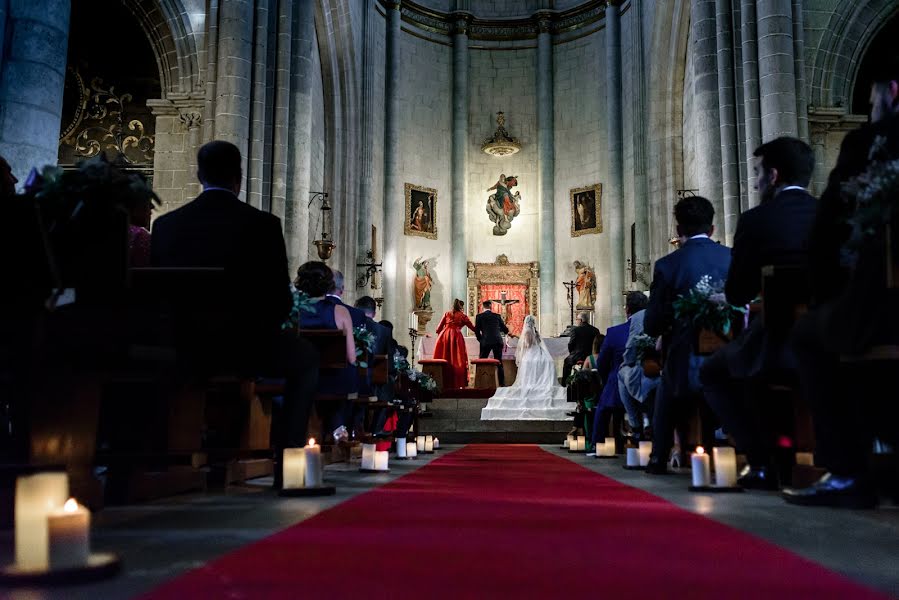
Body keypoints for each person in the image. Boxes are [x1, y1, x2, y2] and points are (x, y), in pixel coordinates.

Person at [150, 140, 319, 473]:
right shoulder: (263, 225)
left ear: (199, 175)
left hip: (180, 346)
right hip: (246, 346)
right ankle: (289, 464)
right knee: (306, 359)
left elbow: (158, 297)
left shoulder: (166, 226)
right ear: (238, 178)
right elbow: (281, 302)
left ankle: (158, 456)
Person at [783, 60, 899, 508]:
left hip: (883, 304)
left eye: (872, 101)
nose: (871, 110)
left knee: (812, 335)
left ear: (892, 90)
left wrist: (828, 297)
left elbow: (826, 232)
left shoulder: (872, 143)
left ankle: (849, 471)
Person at [700, 137, 818, 490]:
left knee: (715, 371)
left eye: (757, 174)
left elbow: (737, 292)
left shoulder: (756, 220)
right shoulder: (831, 213)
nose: (755, 182)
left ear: (774, 175)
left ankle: (761, 460)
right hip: (832, 334)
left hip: (779, 336)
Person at [643, 195, 731, 474]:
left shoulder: (668, 265)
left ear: (679, 230)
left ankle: (659, 455)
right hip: (729, 356)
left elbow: (653, 323)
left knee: (665, 389)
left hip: (686, 359)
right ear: (713, 229)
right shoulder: (731, 257)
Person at [294, 262, 357, 443]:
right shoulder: (340, 311)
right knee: (349, 373)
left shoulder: (293, 310)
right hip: (332, 381)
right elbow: (351, 357)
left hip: (298, 378)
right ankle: (338, 428)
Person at [481, 315, 574, 420]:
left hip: (531, 353)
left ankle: (532, 382)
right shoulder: (534, 331)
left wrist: (519, 341)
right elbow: (536, 342)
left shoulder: (527, 332)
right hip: (539, 353)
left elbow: (527, 344)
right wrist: (518, 337)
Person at [593, 292, 649, 446]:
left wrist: (606, 380)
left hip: (618, 384)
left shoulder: (614, 332)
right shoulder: (653, 328)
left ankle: (598, 444)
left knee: (603, 409)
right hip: (651, 381)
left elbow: (602, 364)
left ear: (627, 310)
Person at [618, 307, 660, 440]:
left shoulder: (639, 316)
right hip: (661, 367)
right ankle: (643, 423)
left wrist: (626, 362)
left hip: (658, 371)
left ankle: (636, 426)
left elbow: (632, 347)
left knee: (623, 374)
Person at [433, 298, 476, 389]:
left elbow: (438, 329)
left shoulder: (447, 314)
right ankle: (457, 383)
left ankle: (443, 382)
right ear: (461, 307)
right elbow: (473, 328)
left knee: (444, 357)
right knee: (457, 360)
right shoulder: (463, 316)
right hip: (456, 337)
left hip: (444, 337)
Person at [475, 300, 510, 386]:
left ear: (483, 307)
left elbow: (476, 331)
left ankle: (480, 383)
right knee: (499, 363)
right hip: (497, 341)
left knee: (481, 362)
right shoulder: (497, 316)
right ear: (491, 306)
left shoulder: (479, 316)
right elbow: (505, 330)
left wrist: (481, 340)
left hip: (485, 341)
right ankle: (502, 385)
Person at [562, 312, 600, 382]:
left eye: (577, 319)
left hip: (577, 356)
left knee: (566, 362)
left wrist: (572, 353)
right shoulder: (595, 330)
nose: (577, 321)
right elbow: (598, 343)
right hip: (590, 355)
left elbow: (570, 344)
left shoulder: (575, 330)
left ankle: (565, 384)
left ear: (581, 320)